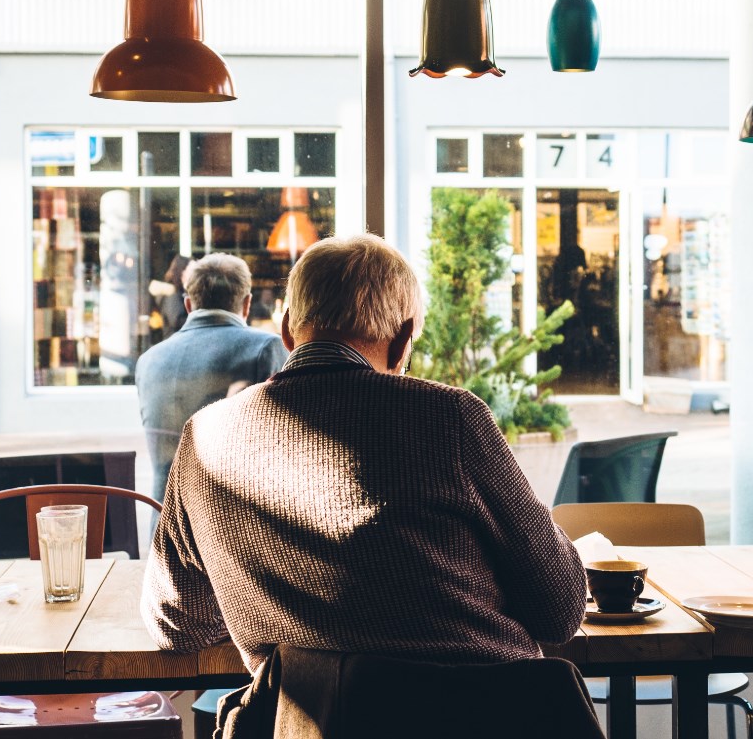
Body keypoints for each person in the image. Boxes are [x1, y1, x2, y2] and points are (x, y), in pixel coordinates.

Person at [141, 234, 586, 673]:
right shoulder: (450, 417)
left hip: (309, 723)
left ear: (287, 330)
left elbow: (177, 625)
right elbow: (560, 609)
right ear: (403, 340)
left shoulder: (204, 437)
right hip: (489, 716)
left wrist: (266, 595)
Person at [134, 252, 288, 511]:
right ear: (247, 304)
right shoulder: (265, 349)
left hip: (163, 528)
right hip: (231, 529)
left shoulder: (148, 360)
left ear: (188, 305)